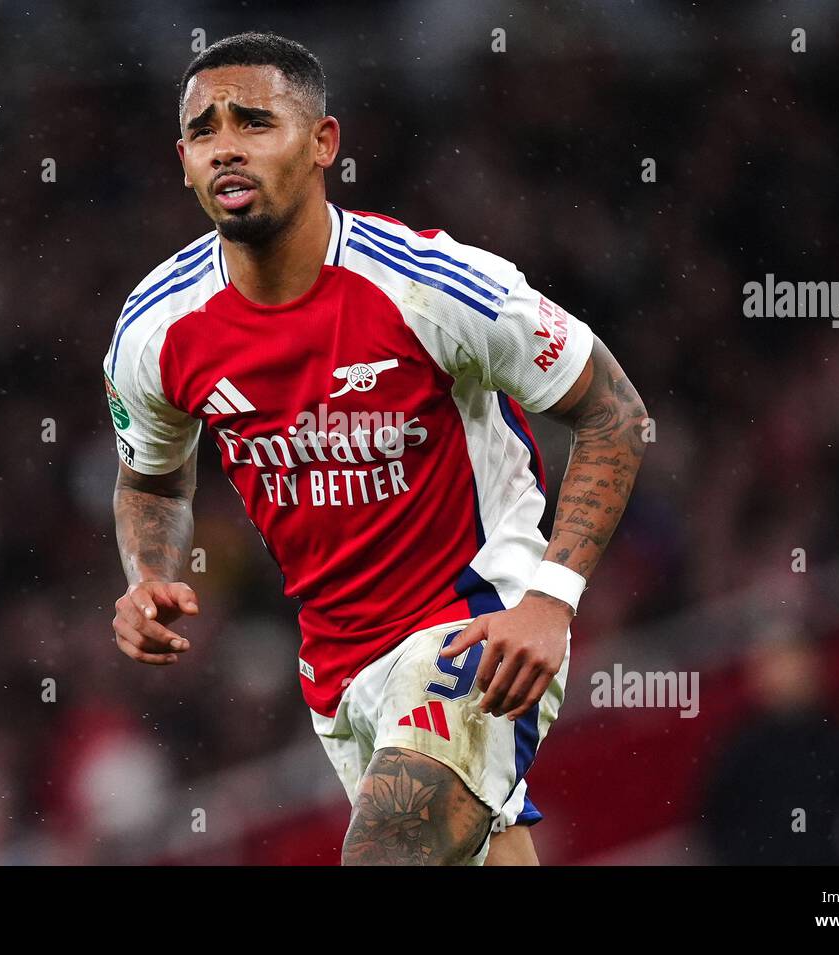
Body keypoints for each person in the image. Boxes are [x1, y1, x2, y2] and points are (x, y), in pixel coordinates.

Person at [105, 32, 647, 865]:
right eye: (205, 131)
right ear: (182, 160)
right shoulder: (156, 330)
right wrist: (149, 574)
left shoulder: (434, 285)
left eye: (255, 121)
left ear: (324, 143)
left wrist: (550, 599)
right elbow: (153, 477)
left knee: (387, 854)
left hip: (478, 619)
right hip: (338, 661)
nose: (228, 147)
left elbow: (614, 412)